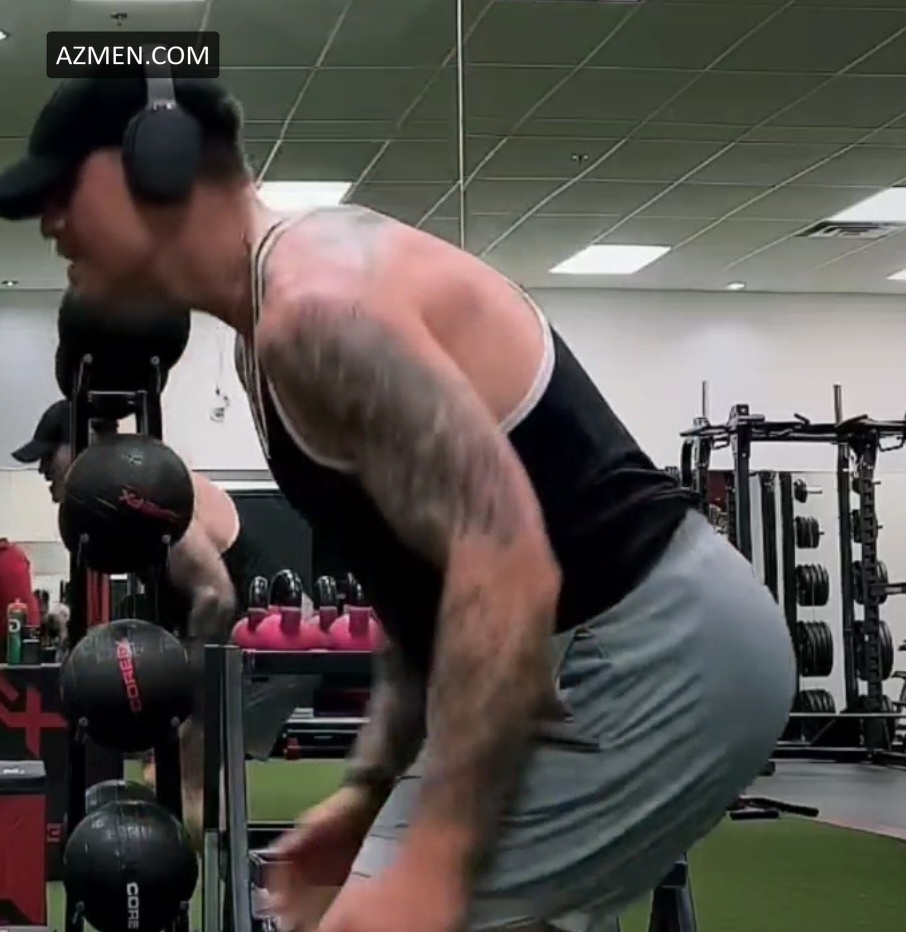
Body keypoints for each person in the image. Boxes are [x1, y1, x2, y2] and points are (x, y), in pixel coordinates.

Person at [0, 71, 796, 932]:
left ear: (160, 169)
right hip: (595, 646)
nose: (52, 227)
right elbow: (428, 599)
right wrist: (369, 792)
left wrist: (432, 860)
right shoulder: (264, 340)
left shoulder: (320, 310)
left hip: (654, 646)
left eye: (67, 194)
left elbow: (508, 563)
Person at [12, 397, 312, 845]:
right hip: (237, 641)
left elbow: (215, 596)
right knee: (179, 772)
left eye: (47, 455)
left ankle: (193, 875)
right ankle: (209, 864)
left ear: (84, 443)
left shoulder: (146, 492)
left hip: (272, 644)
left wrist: (180, 686)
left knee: (182, 774)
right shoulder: (121, 496)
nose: (41, 470)